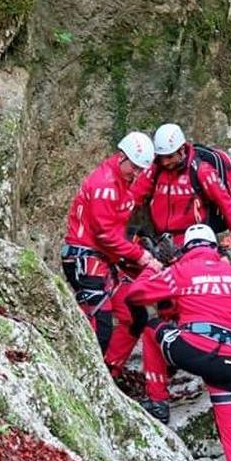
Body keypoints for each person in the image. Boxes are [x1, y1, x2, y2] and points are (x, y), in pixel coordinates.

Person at [123, 224, 231, 461]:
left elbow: (135, 294)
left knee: (151, 330)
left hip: (194, 349)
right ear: (215, 248)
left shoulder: (181, 271)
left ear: (186, 249)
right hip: (227, 362)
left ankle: (158, 401)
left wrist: (152, 265)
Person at [61, 132, 162, 377]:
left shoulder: (125, 182)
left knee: (134, 315)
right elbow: (104, 233)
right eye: (135, 168)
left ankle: (109, 373)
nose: (137, 174)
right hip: (85, 259)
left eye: (141, 170)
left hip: (104, 259)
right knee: (100, 324)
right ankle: (86, 378)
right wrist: (140, 256)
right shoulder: (104, 185)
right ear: (122, 157)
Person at [130, 123, 231, 245]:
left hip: (191, 241)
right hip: (159, 239)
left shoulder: (201, 171)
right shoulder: (155, 169)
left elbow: (226, 204)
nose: (164, 162)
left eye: (169, 157)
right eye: (161, 157)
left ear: (181, 150)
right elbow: (134, 196)